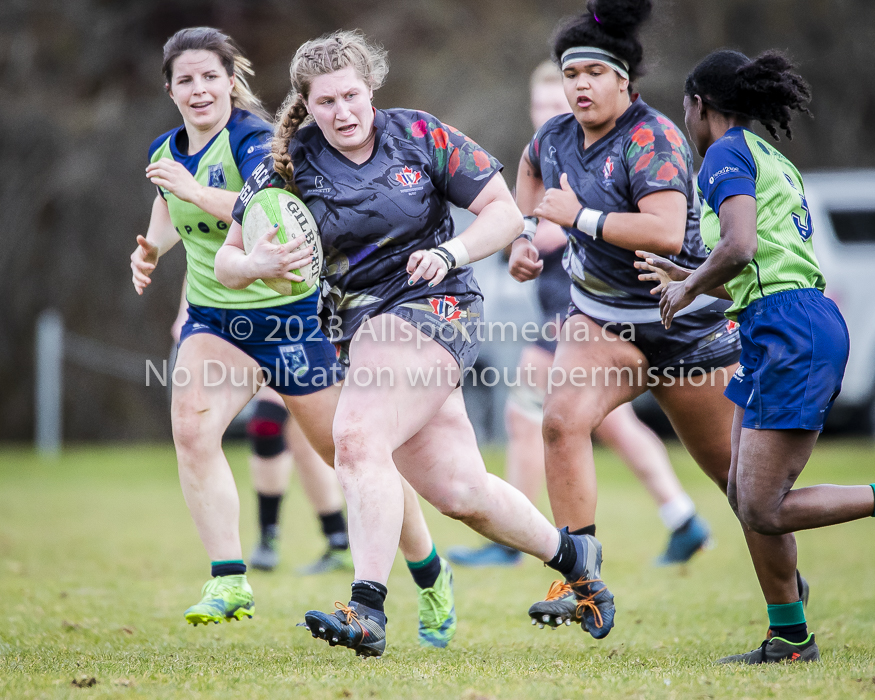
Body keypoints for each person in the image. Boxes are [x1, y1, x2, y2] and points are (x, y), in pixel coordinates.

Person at [215, 29, 614, 658]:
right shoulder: (286, 164)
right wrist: (256, 261)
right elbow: (228, 263)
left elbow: (506, 215)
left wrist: (450, 250)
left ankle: (367, 608)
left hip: (439, 306)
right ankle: (577, 560)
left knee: (355, 437)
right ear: (305, 105)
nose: (342, 113)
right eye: (325, 103)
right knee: (460, 492)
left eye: (351, 96)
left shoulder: (419, 134)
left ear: (371, 87)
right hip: (358, 327)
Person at [131, 27, 450, 646]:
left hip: (291, 322)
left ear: (232, 80)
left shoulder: (257, 141)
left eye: (209, 77)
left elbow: (257, 205)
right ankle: (228, 577)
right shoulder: (166, 150)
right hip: (216, 320)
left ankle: (430, 573)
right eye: (185, 80)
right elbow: (170, 214)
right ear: (169, 89)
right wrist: (150, 250)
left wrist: (204, 198)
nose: (198, 90)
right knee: (192, 432)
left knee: (353, 459)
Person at [510, 0, 811, 644]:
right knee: (561, 422)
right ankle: (582, 581)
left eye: (595, 72)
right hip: (602, 321)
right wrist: (526, 235)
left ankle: (789, 619)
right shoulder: (556, 135)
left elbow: (669, 232)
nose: (581, 85)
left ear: (626, 81)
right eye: (572, 74)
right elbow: (531, 170)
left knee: (745, 490)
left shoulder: (654, 137)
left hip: (687, 328)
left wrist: (576, 219)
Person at [636, 48, 875, 664]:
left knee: (764, 508)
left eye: (685, 109)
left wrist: (688, 287)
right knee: (747, 496)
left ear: (699, 105)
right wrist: (689, 272)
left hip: (788, 328)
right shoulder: (767, 155)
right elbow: (751, 265)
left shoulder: (723, 152)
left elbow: (740, 247)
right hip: (776, 321)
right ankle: (790, 638)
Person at [448, 61, 711, 569]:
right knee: (605, 424)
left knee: (529, 415)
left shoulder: (603, 153)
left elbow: (579, 223)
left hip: (591, 312)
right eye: (544, 103)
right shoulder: (546, 154)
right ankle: (682, 519)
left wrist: (549, 228)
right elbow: (525, 221)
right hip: (571, 313)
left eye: (560, 102)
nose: (557, 110)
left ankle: (516, 541)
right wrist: (521, 237)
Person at [170, 280, 353, 575]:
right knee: (300, 439)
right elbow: (200, 254)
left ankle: (320, 539)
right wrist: (184, 313)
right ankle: (333, 539)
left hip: (300, 322)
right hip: (237, 325)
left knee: (278, 427)